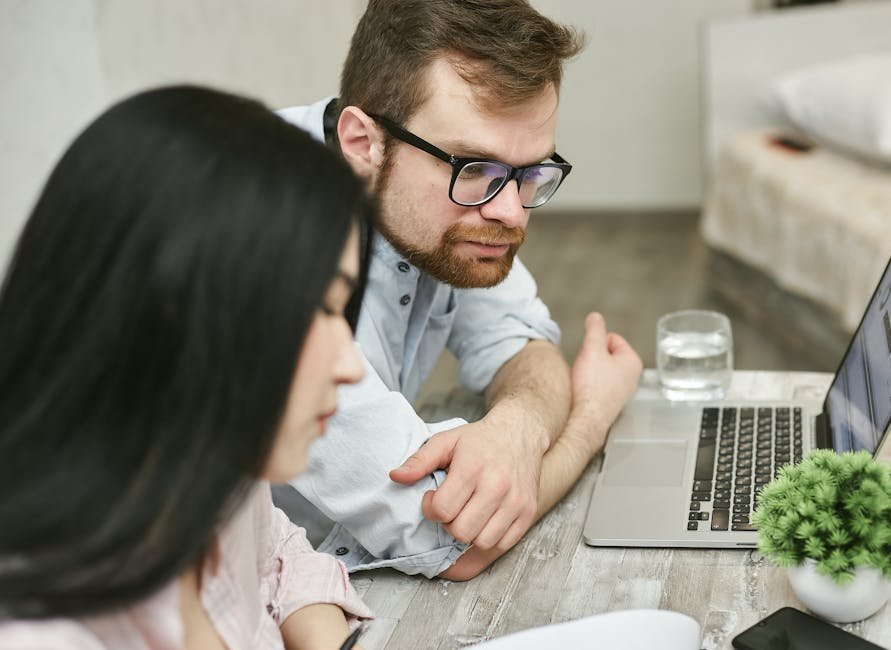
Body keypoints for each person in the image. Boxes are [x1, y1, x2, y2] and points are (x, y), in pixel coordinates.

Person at [273, 0, 643, 580]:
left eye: (530, 173)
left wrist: (517, 424)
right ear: (362, 142)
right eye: (473, 168)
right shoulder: (263, 243)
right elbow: (450, 540)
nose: (512, 213)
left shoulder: (436, 204)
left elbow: (520, 343)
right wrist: (590, 417)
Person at [0, 85, 374, 648]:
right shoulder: (46, 631)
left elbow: (278, 552)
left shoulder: (214, 467)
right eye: (318, 308)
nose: (351, 366)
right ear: (173, 308)